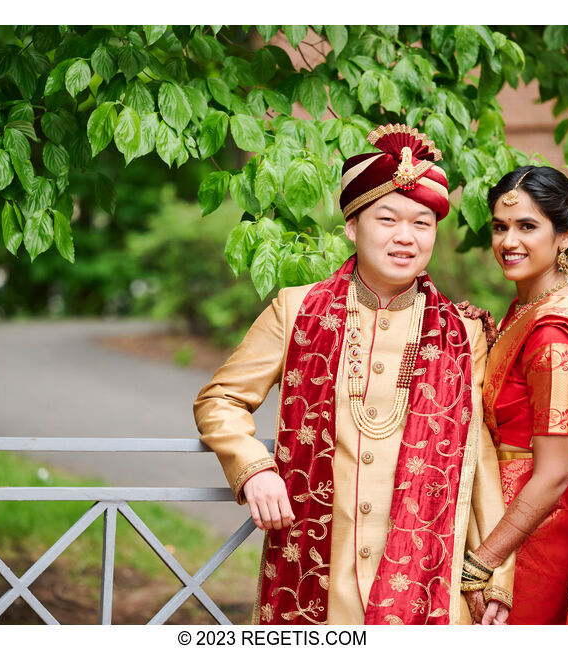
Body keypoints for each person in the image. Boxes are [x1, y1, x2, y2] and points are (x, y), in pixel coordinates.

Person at [194, 123, 514, 625]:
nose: (405, 237)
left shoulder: (461, 332)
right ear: (351, 226)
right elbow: (220, 399)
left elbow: (479, 456)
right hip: (319, 586)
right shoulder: (295, 311)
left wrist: (494, 573)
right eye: (387, 218)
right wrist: (252, 468)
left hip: (429, 585)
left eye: (423, 223)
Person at [458, 165, 568, 624]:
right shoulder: (530, 305)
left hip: (528, 532)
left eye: (528, 226)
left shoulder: (554, 336)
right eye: (500, 227)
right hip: (503, 512)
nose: (509, 242)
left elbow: (552, 474)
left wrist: (482, 562)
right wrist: (488, 342)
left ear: (564, 235)